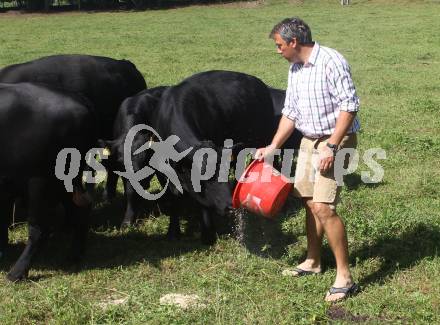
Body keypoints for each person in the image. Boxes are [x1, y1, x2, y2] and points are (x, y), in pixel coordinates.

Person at [255, 17, 360, 302]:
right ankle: (313, 262)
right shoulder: (295, 68)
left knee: (324, 207)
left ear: (294, 42)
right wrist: (273, 146)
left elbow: (348, 106)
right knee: (309, 202)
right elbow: (290, 112)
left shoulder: (331, 61)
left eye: (279, 45)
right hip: (308, 140)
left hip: (335, 140)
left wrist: (331, 146)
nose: (278, 50)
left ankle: (345, 277)